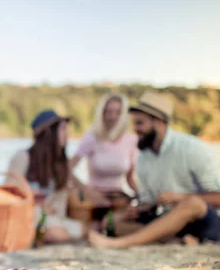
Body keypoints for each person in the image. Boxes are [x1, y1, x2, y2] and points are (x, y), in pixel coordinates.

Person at [88, 90, 220, 248]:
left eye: (140, 123)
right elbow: (150, 200)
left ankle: (119, 243)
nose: (135, 130)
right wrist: (140, 209)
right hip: (168, 220)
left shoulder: (191, 148)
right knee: (112, 222)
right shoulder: (144, 157)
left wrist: (180, 197)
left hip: (203, 222)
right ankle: (180, 241)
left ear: (158, 121)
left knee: (193, 203)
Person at [6, 109, 85, 242]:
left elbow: (60, 206)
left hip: (52, 218)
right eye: (63, 129)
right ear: (49, 133)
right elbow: (9, 194)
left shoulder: (61, 164)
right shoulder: (24, 157)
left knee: (84, 230)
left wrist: (51, 210)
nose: (67, 134)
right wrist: (34, 201)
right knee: (59, 234)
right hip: (28, 216)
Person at [70, 93, 139, 207]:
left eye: (118, 112)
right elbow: (67, 169)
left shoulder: (131, 140)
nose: (113, 117)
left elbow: (130, 178)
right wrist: (86, 190)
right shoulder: (92, 137)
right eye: (109, 112)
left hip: (119, 199)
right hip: (94, 199)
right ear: (102, 114)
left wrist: (142, 196)